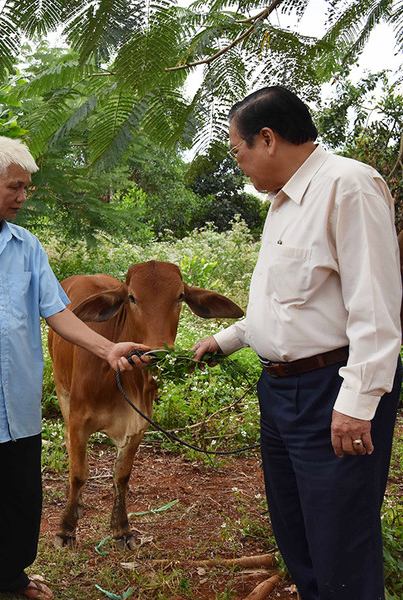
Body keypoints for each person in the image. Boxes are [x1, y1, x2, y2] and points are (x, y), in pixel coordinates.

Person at [0, 136, 148, 600]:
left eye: (26, 188)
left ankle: (12, 578)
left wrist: (107, 349)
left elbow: (56, 312)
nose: (23, 197)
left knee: (20, 495)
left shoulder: (27, 247)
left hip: (17, 396)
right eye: (15, 187)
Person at [191, 86, 402, 599]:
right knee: (297, 530)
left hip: (333, 389)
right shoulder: (282, 203)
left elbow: (375, 307)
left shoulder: (348, 186)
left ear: (267, 139)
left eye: (238, 152)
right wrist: (227, 339)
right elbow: (286, 303)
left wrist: (356, 405)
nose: (239, 165)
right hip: (282, 392)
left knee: (340, 537)